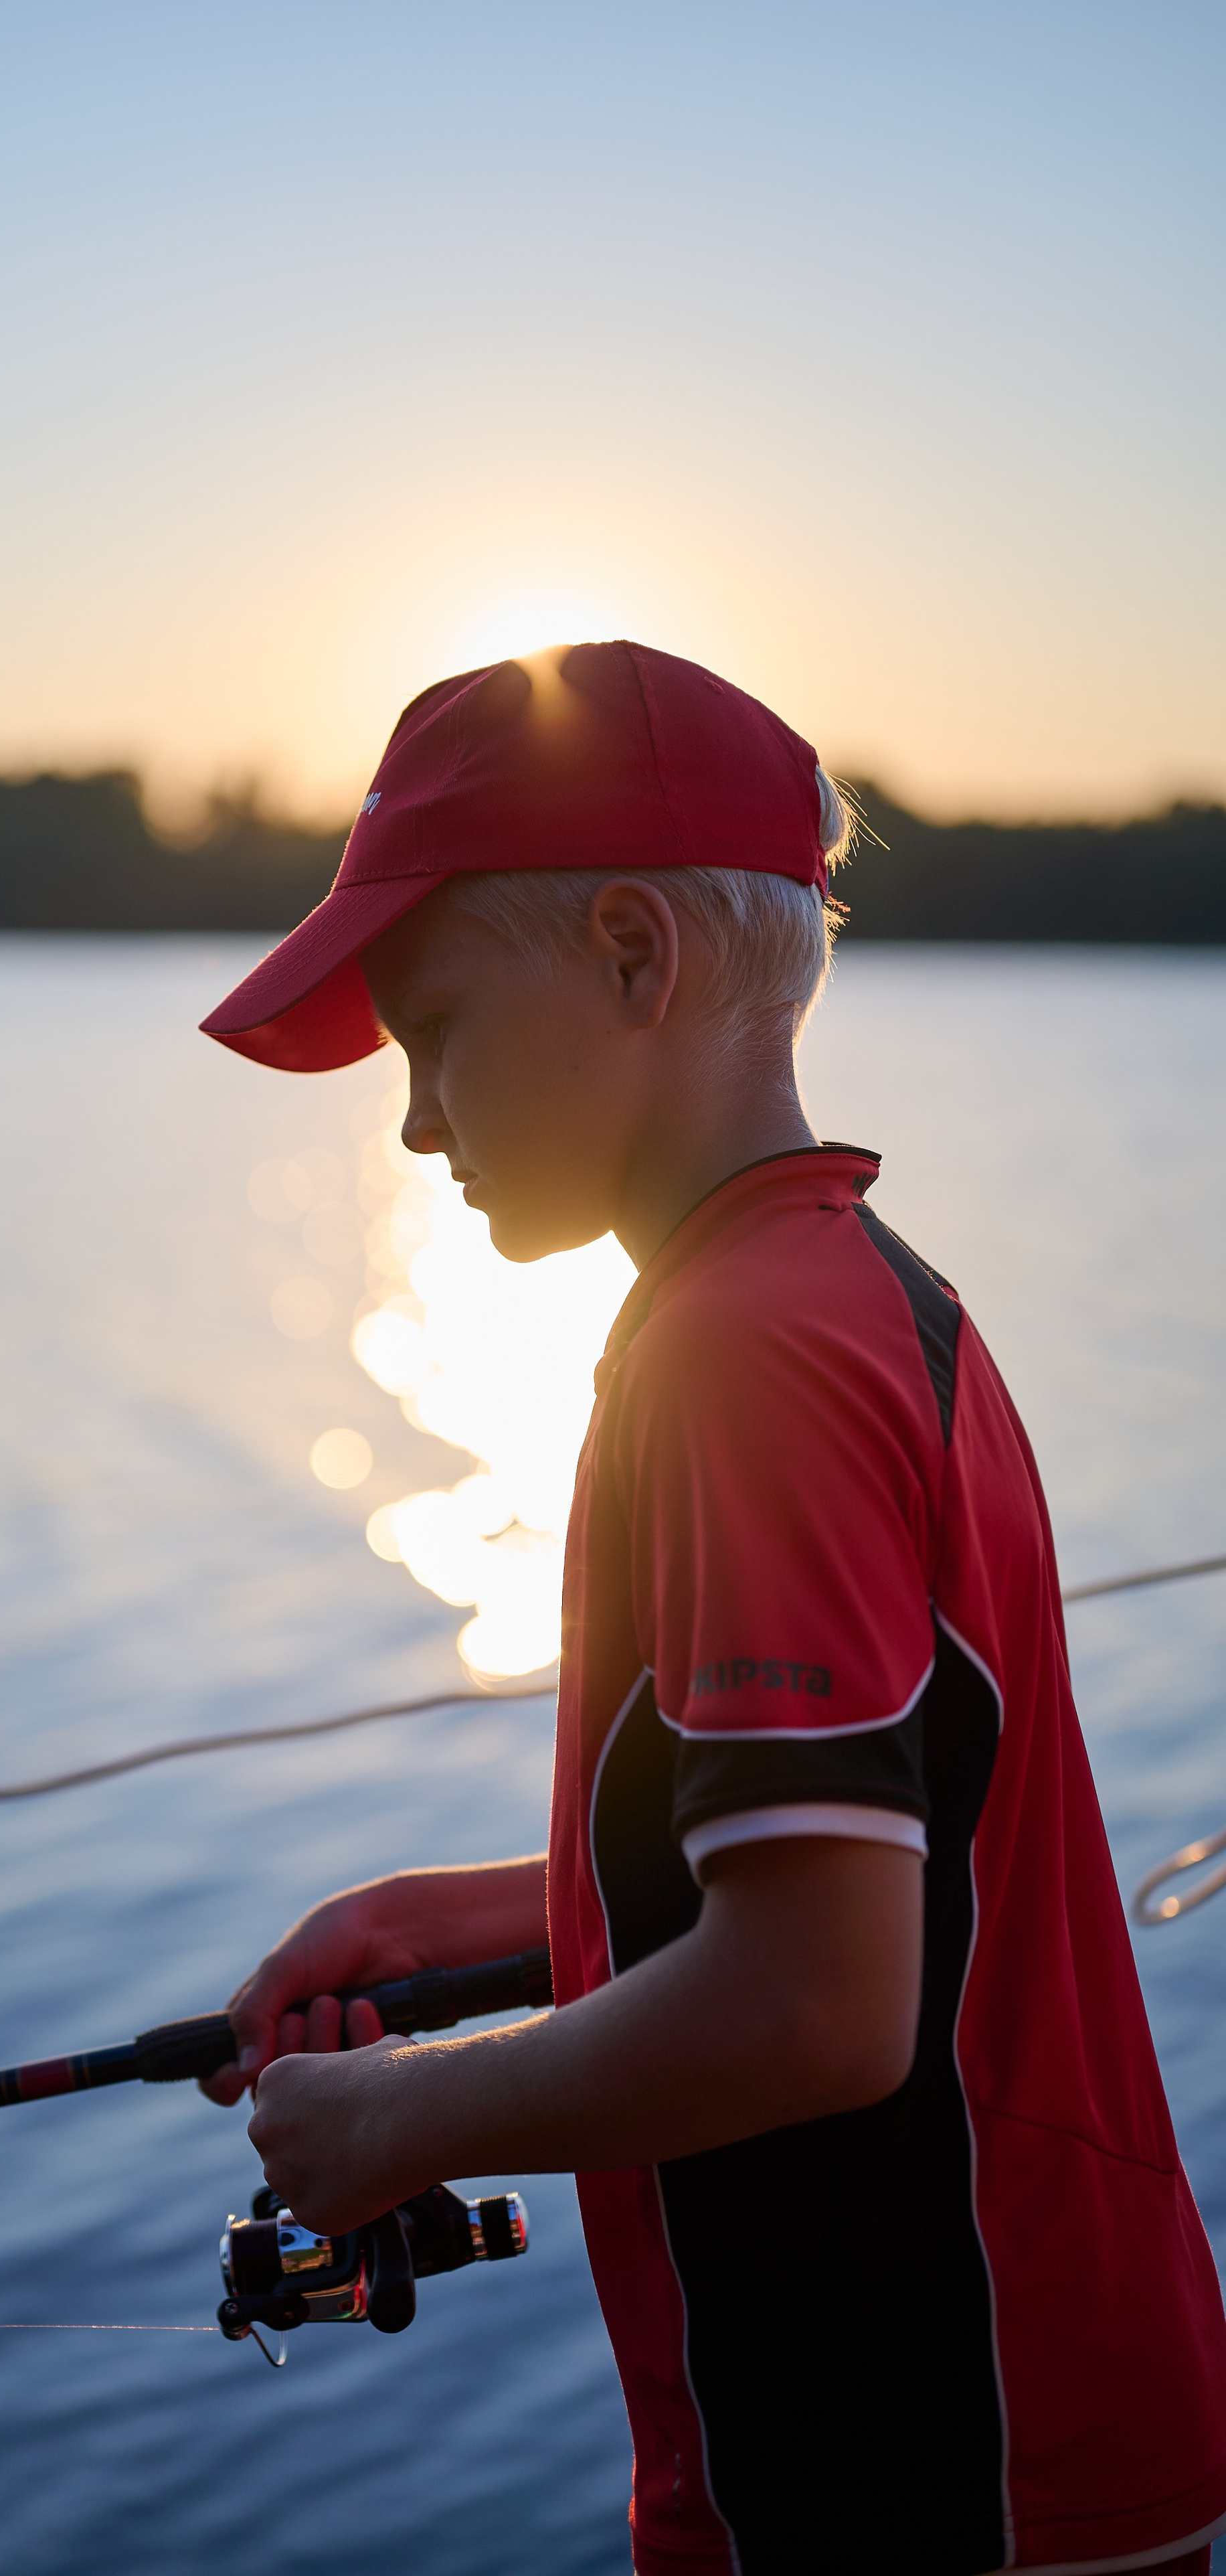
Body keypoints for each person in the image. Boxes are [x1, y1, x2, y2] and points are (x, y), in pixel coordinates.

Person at [197, 643, 1226, 2575]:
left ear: (630, 955)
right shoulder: (857, 1291)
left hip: (942, 2481)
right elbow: (873, 1865)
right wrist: (446, 1926)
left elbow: (816, 2004)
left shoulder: (744, 1356)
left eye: (435, 1031)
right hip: (1040, 2415)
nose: (415, 1122)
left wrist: (407, 2120)